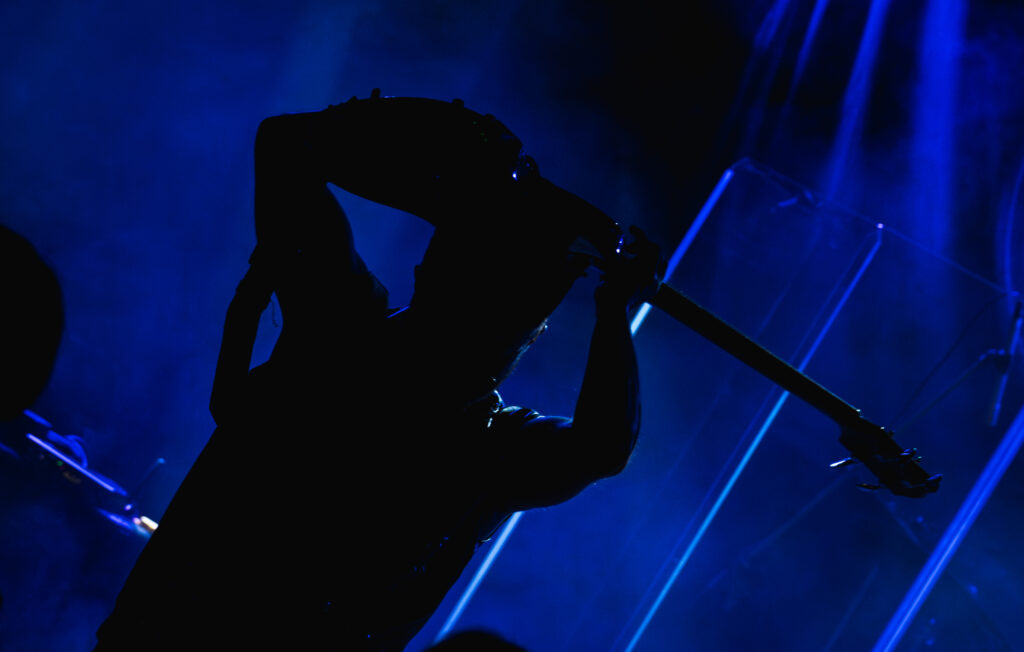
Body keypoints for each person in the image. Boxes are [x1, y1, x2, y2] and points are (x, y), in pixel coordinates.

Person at [94, 92, 662, 651]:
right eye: (484, 293)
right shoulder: (352, 332)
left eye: (510, 307)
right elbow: (287, 144)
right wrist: (452, 150)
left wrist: (451, 158)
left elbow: (289, 145)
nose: (488, 321)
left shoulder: (354, 333)